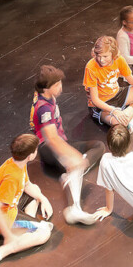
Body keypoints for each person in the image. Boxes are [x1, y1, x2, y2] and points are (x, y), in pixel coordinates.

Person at [29, 65, 110, 225]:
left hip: (61, 142)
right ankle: (74, 209)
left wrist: (77, 159)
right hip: (49, 148)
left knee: (99, 146)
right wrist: (73, 156)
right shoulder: (43, 108)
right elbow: (51, 139)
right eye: (57, 85)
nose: (61, 87)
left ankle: (73, 173)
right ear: (46, 88)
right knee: (76, 162)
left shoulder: (47, 97)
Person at [0, 133, 55, 267]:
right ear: (30, 155)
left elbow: (27, 185)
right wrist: (8, 236)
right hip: (0, 219)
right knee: (44, 233)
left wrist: (43, 199)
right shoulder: (12, 178)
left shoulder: (17, 164)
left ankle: (26, 226)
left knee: (35, 191)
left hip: (10, 208)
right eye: (35, 150)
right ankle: (0, 252)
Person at [83, 35, 133, 127]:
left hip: (118, 94)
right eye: (98, 56)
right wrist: (114, 110)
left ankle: (132, 120)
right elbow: (95, 100)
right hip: (102, 104)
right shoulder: (91, 67)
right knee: (117, 123)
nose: (101, 60)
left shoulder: (119, 60)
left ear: (113, 54)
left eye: (105, 56)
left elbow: (132, 80)